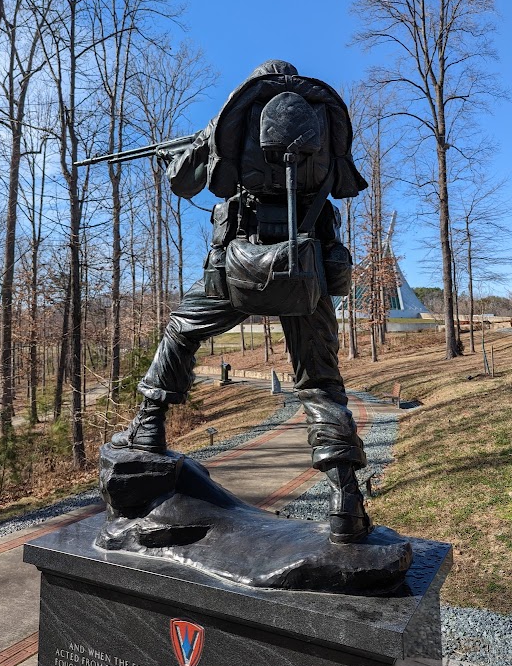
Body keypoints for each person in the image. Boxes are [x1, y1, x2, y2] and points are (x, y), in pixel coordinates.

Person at [111, 60, 371, 544]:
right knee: (320, 382)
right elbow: (345, 185)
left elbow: (184, 183)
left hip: (240, 265)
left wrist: (189, 151)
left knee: (181, 329)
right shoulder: (326, 122)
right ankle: (346, 500)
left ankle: (148, 427)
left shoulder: (231, 118)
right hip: (304, 267)